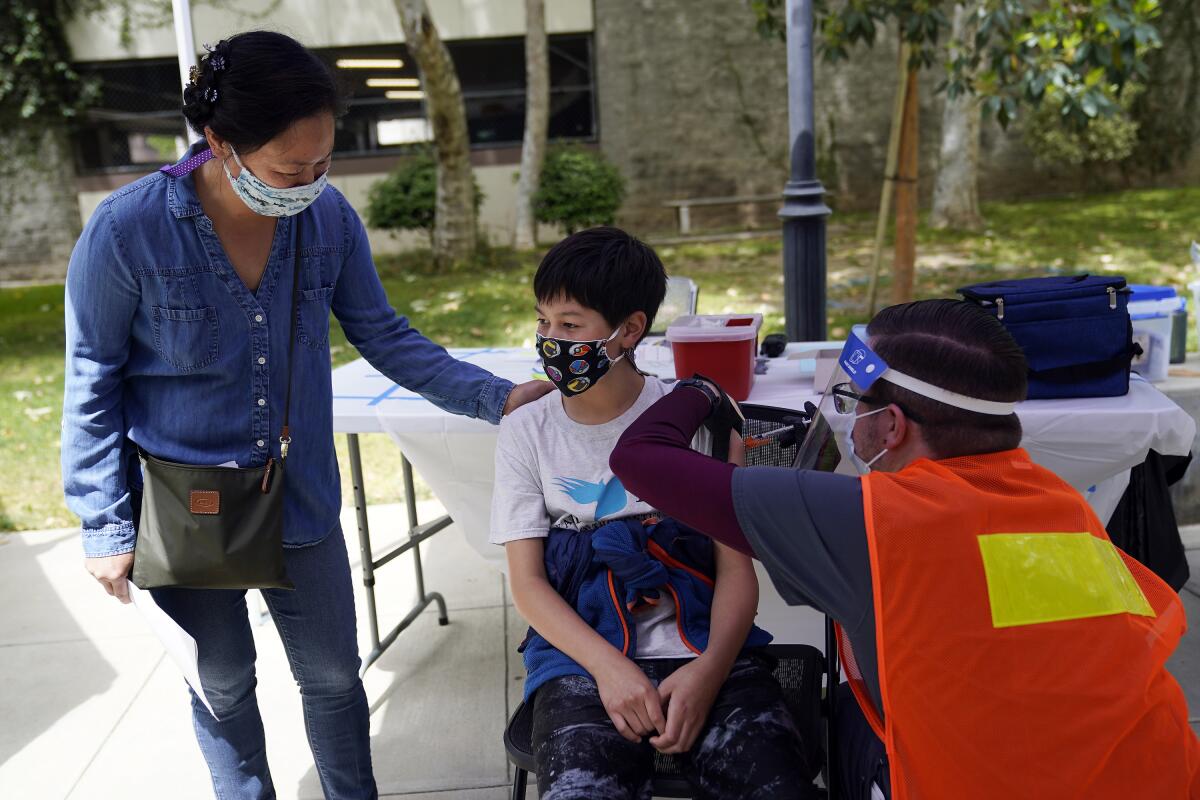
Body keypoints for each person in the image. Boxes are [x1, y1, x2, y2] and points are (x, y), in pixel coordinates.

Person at [60, 31, 550, 800]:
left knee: (331, 677)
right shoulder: (127, 231)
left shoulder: (327, 220)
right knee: (221, 684)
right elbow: (92, 377)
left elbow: (383, 333)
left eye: (324, 164)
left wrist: (495, 396)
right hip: (187, 505)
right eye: (291, 168)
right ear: (219, 142)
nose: (310, 183)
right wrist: (105, 525)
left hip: (302, 498)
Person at [610, 299, 1200, 799]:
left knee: (838, 721)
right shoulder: (1059, 502)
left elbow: (638, 459)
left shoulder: (875, 519)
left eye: (851, 399)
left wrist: (702, 387)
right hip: (1154, 769)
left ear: (891, 426)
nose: (846, 414)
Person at [490, 227, 818, 800]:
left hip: (707, 649)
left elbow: (737, 572)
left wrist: (711, 669)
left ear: (630, 330)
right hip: (580, 658)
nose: (550, 340)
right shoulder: (526, 432)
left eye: (570, 326)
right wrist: (609, 670)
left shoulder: (699, 422)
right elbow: (529, 585)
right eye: (543, 321)